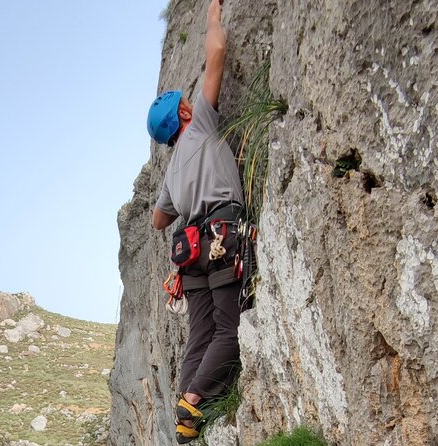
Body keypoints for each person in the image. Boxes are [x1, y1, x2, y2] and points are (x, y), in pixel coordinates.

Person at [146, 0, 244, 443]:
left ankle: (184, 423)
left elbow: (157, 220)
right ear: (185, 113)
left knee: (198, 336)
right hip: (222, 233)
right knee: (226, 332)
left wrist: (180, 194)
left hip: (193, 253)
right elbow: (217, 52)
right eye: (188, 101)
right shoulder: (202, 123)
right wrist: (211, 15)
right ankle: (193, 403)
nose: (193, 101)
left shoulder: (170, 172)